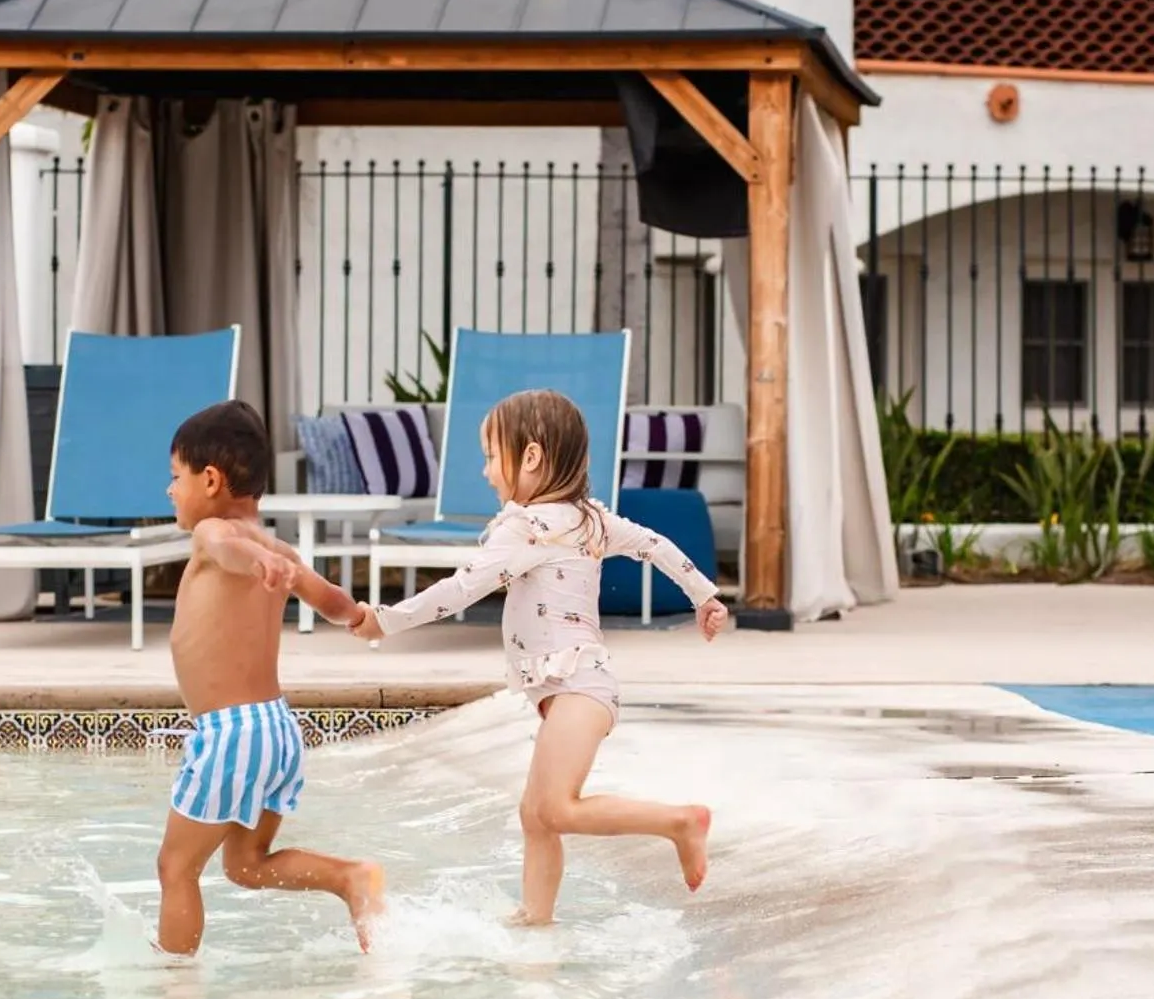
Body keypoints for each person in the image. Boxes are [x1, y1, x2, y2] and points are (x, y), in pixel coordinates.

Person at [350, 388, 727, 925]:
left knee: (555, 808)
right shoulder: (590, 519)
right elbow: (654, 544)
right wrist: (704, 595)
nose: (484, 472)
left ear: (529, 457)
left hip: (577, 686)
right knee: (536, 815)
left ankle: (678, 823)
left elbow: (461, 589)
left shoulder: (523, 526)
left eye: (489, 456)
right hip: (577, 687)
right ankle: (536, 915)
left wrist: (385, 619)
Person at [158, 400, 385, 955]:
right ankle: (350, 878)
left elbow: (225, 547)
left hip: (231, 734)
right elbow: (330, 601)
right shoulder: (280, 549)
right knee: (246, 865)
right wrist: (359, 616)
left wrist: (252, 562)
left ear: (210, 480)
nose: (170, 490)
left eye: (175, 477)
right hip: (276, 730)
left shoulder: (215, 534)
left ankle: (171, 990)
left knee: (175, 868)